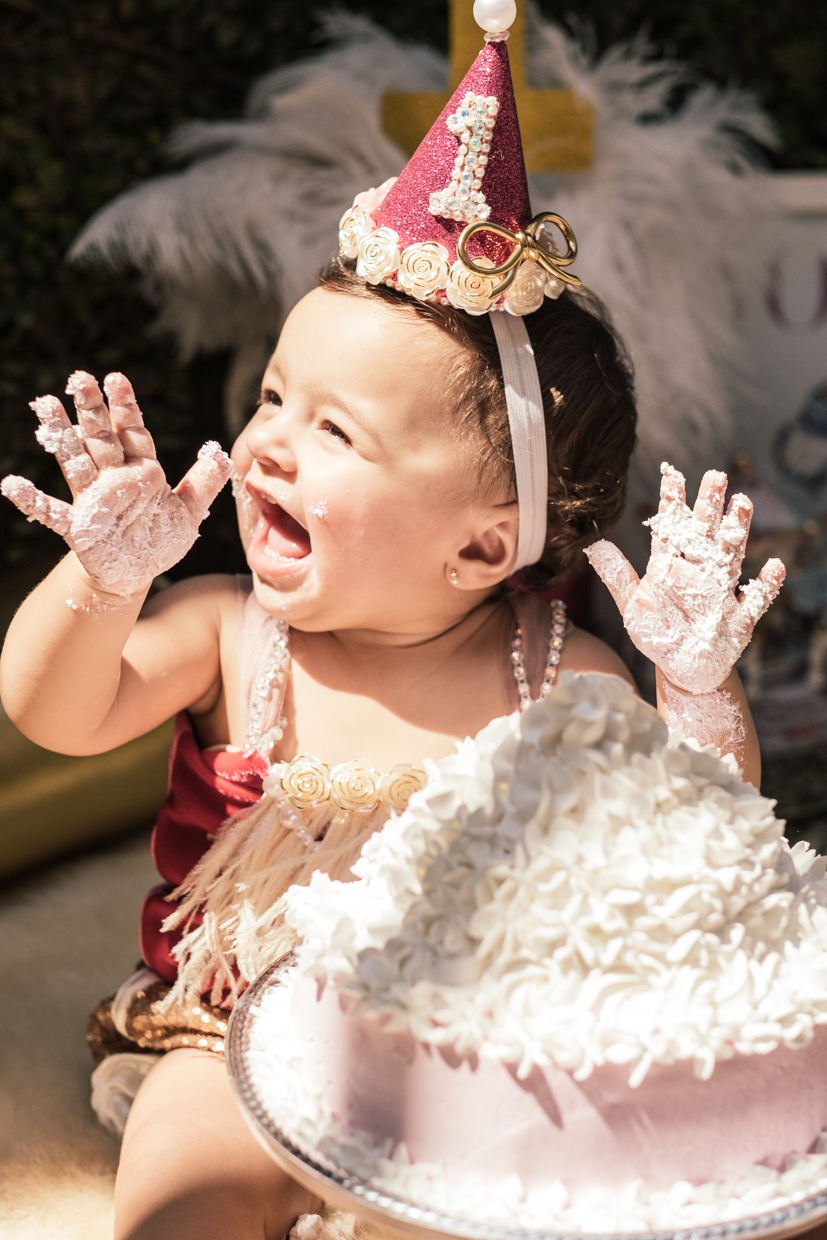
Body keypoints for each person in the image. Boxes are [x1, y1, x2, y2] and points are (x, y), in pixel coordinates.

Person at [0, 12, 784, 1240]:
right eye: (275, 396)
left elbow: (701, 839)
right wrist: (104, 581)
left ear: (477, 546)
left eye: (334, 431)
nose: (269, 441)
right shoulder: (231, 635)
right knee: (185, 1196)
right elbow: (53, 711)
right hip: (229, 1033)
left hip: (472, 1051)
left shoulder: (552, 674)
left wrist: (692, 688)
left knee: (564, 1194)